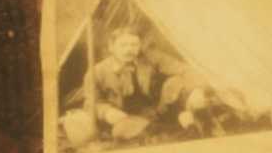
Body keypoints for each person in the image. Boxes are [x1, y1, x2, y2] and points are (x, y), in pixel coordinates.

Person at [66, 28, 200, 144]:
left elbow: (186, 69)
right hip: (125, 117)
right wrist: (106, 112)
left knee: (176, 82)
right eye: (123, 45)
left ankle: (176, 127)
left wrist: (195, 90)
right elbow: (90, 103)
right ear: (111, 47)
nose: (129, 50)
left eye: (134, 45)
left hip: (157, 111)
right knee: (121, 130)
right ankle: (174, 130)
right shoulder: (97, 72)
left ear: (140, 46)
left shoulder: (150, 58)